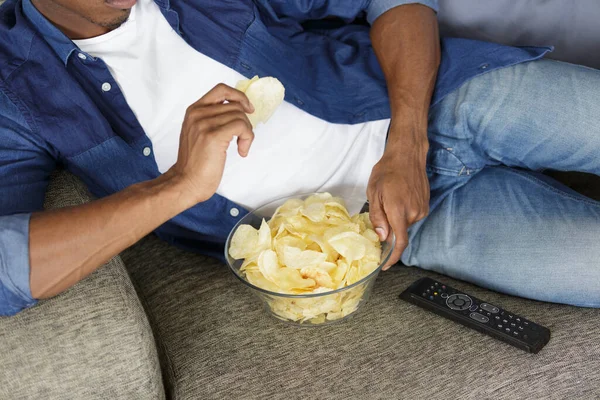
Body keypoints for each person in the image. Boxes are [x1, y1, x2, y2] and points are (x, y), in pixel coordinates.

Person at [0, 0, 598, 316]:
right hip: (396, 231)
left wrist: (407, 142)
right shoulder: (17, 90)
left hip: (450, 101)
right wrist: (178, 186)